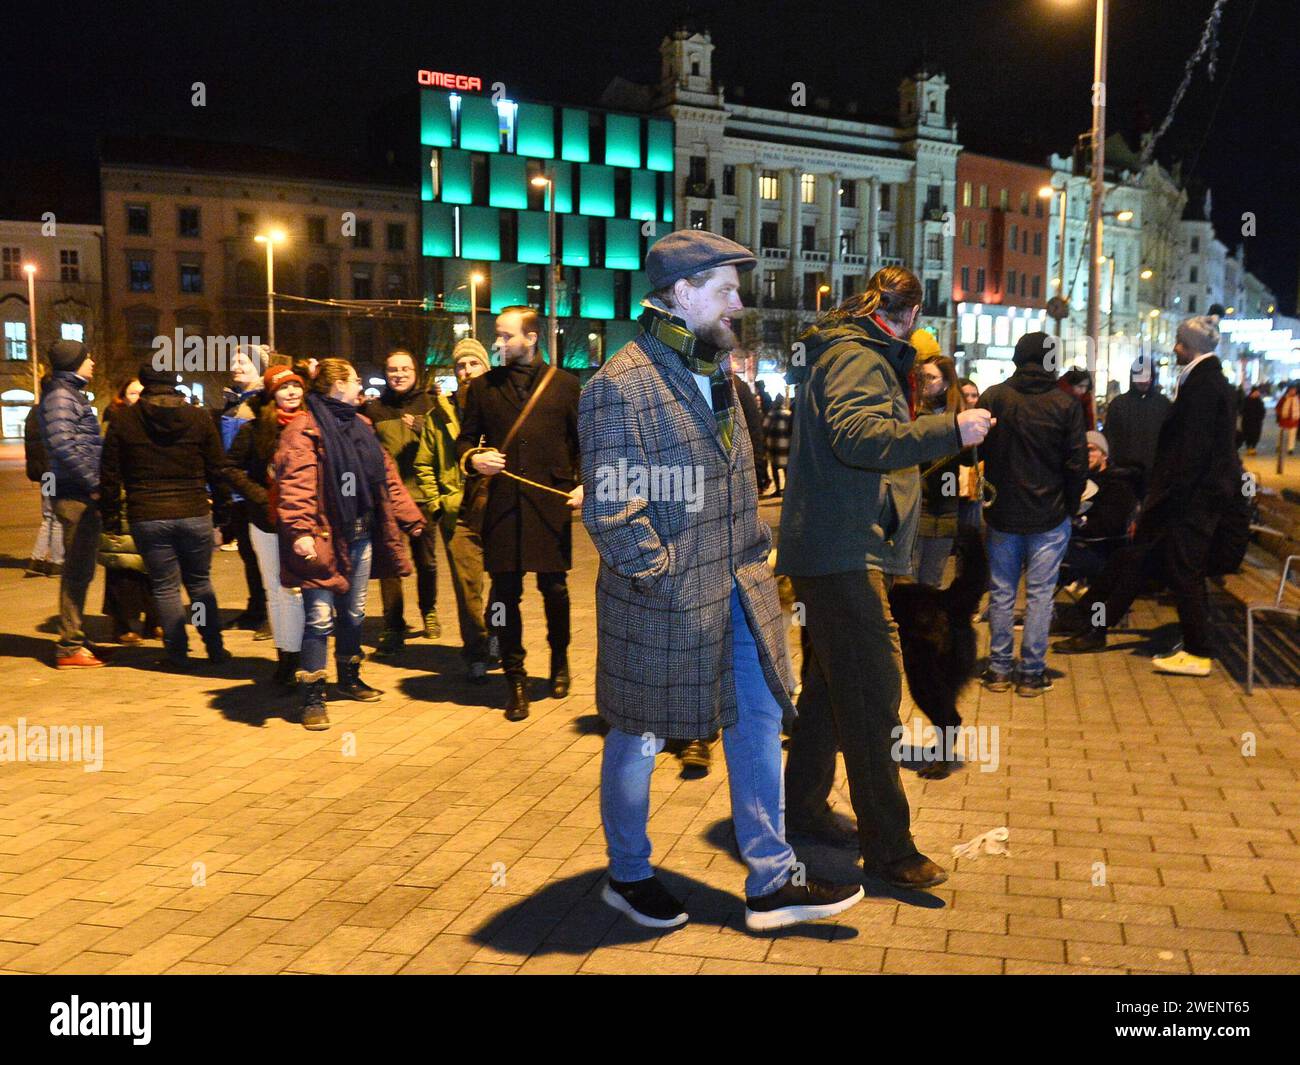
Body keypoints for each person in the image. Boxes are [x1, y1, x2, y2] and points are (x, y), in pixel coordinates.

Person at [580, 228, 865, 931]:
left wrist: (755, 553)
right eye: (726, 289)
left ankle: (772, 879)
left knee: (761, 718)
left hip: (741, 588)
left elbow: (736, 483)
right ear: (680, 293)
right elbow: (613, 512)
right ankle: (628, 872)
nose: (740, 300)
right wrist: (665, 575)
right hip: (664, 603)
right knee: (639, 738)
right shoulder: (619, 384)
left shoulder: (718, 375)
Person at [778, 265, 993, 889]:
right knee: (874, 691)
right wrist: (949, 428)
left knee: (830, 686)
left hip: (842, 546)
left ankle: (805, 809)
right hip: (840, 549)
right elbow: (860, 437)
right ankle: (890, 847)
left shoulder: (859, 353)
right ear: (910, 315)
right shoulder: (858, 357)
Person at [1055, 315, 1244, 677]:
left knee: (1177, 570)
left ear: (1194, 346)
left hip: (1189, 505)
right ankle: (1091, 623)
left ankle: (1197, 651)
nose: (1174, 347)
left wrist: (1161, 502)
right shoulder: (1208, 381)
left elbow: (1192, 453)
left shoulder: (1204, 385)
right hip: (1186, 502)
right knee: (1133, 560)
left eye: (1179, 341)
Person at [275, 359, 425, 729]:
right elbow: (297, 487)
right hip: (323, 537)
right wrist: (300, 532)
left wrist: (410, 517)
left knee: (354, 613)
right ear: (338, 385)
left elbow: (385, 478)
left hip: (361, 534)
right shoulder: (304, 430)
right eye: (356, 379)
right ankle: (312, 693)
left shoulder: (361, 426)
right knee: (319, 617)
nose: (362, 385)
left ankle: (349, 677)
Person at [457, 306, 582, 721]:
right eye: (498, 335)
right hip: (503, 505)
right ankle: (515, 677)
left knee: (555, 589)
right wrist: (475, 458)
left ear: (531, 338)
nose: (499, 342)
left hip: (550, 503)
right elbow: (463, 442)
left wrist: (585, 484)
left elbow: (583, 444)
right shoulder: (483, 387)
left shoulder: (565, 385)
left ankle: (560, 660)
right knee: (505, 595)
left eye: (507, 336)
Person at [99, 360, 235, 672]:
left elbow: (109, 473)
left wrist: (109, 517)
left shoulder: (124, 420)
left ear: (145, 383)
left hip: (147, 514)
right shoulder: (198, 417)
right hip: (193, 511)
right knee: (200, 584)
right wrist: (223, 513)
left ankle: (177, 651)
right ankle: (213, 645)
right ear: (175, 383)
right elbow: (218, 468)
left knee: (164, 587)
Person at [977, 332, 1087, 696]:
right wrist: (1071, 507)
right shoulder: (1065, 404)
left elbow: (977, 451)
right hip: (1050, 514)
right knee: (1040, 594)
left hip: (1003, 512)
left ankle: (998, 669)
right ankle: (1031, 672)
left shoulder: (994, 397)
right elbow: (1076, 464)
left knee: (1002, 591)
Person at [413, 338, 493, 681]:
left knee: (504, 587)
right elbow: (424, 463)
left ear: (486, 368)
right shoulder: (438, 416)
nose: (466, 371)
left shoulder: (500, 409)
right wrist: (436, 504)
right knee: (468, 588)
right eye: (461, 365)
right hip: (457, 514)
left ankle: (497, 636)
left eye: (473, 364)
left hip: (496, 509)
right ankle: (476, 651)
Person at [225, 365, 308, 690]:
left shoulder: (311, 426)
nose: (291, 393)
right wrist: (261, 496)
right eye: (284, 388)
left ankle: (305, 655)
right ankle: (286, 657)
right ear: (272, 394)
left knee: (302, 590)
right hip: (267, 522)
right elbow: (229, 468)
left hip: (304, 521)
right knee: (277, 590)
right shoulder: (255, 428)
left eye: (296, 387)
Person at [364, 348, 442, 655]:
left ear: (415, 372)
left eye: (404, 369)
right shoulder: (374, 409)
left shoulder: (432, 405)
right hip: (389, 500)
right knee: (390, 566)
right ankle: (393, 625)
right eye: (393, 369)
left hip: (423, 496)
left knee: (427, 562)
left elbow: (445, 447)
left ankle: (429, 612)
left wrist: (424, 430)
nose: (398, 374)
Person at [36, 339, 105, 668]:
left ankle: (74, 635)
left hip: (77, 490)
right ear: (72, 362)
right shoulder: (62, 395)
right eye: (86, 357)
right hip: (76, 493)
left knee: (82, 569)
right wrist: (93, 484)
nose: (91, 361)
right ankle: (69, 645)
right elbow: (63, 444)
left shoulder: (68, 392)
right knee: (77, 570)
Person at [215, 344, 270, 635]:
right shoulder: (233, 401)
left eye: (243, 362)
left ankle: (272, 613)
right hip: (235, 490)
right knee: (249, 553)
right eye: (233, 361)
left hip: (254, 490)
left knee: (266, 555)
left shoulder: (263, 402)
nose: (236, 366)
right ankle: (256, 607)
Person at [100, 379, 160, 644]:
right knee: (122, 565)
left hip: (150, 500)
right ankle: (124, 624)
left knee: (154, 565)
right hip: (123, 500)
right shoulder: (115, 421)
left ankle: (155, 619)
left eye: (141, 392)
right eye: (132, 392)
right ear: (122, 396)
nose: (137, 397)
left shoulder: (158, 421)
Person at [912, 347, 970, 586]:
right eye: (923, 377)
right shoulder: (914, 416)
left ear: (946, 383)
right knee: (909, 579)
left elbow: (966, 461)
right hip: (918, 509)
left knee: (932, 579)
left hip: (946, 510)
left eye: (932, 377)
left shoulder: (959, 418)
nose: (926, 383)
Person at [1059, 430, 1138, 589]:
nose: (1087, 454)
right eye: (1083, 450)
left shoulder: (1118, 485)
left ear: (1104, 455)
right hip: (1072, 543)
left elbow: (1110, 525)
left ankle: (1097, 613)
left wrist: (1077, 525)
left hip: (1101, 550)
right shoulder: (1075, 482)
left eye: (1091, 449)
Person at [1103, 358, 1171, 498]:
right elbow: (1110, 437)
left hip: (1155, 475)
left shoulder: (1163, 405)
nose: (1144, 381)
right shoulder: (1118, 405)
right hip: (1124, 474)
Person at [23, 394, 64, 578]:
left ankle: (36, 560)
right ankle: (57, 562)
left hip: (44, 474)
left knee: (48, 516)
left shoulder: (35, 412)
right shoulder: (55, 411)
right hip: (54, 471)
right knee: (55, 517)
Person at [733, 373, 770, 496]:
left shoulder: (737, 387)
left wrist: (757, 472)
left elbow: (754, 430)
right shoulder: (739, 386)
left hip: (737, 470)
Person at [957, 377, 985, 532]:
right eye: (965, 395)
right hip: (951, 490)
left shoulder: (983, 424)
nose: (970, 400)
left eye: (974, 395)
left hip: (975, 490)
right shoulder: (948, 423)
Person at [763, 394, 792, 495]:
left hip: (773, 445)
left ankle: (778, 489)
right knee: (786, 469)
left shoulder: (771, 414)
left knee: (775, 468)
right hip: (786, 445)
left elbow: (765, 427)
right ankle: (788, 490)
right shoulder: (788, 414)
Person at [1240, 386, 1265, 454]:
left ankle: (1253, 447)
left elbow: (1262, 410)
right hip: (1247, 422)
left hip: (1257, 422)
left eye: (1258, 392)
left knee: (1256, 435)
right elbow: (1242, 410)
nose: (1257, 394)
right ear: (1252, 392)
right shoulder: (1246, 400)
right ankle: (1248, 447)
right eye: (1256, 392)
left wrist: (1261, 417)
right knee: (1247, 434)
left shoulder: (1259, 401)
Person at [1277, 385, 1300, 456]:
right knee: (1281, 434)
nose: (1292, 391)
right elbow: (1278, 407)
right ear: (1288, 391)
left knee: (1292, 435)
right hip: (1284, 419)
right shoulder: (1284, 398)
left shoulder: (1298, 398)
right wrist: (1281, 413)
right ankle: (1279, 446)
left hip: (1294, 419)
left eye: (1294, 390)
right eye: (1291, 390)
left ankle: (1290, 449)